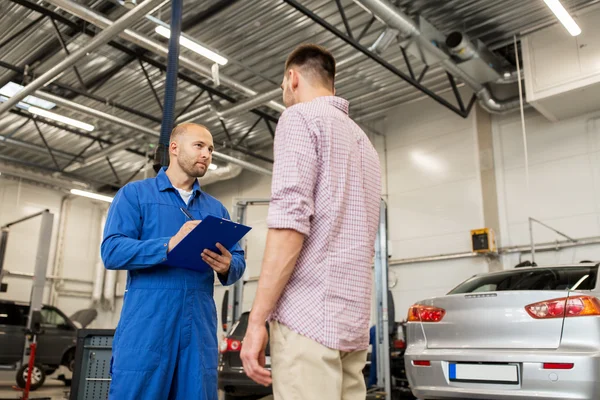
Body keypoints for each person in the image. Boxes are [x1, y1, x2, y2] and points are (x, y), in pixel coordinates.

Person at [240, 44, 382, 400]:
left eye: (282, 85)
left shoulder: (299, 118)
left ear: (292, 78)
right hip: (351, 324)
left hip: (308, 321)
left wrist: (256, 321)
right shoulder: (364, 143)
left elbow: (290, 223)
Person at [101, 123, 246, 400]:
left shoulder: (216, 209)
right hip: (148, 323)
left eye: (211, 149)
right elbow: (112, 250)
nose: (207, 154)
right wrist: (167, 245)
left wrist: (228, 265)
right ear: (175, 148)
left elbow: (237, 259)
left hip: (199, 326)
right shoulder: (135, 195)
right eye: (199, 146)